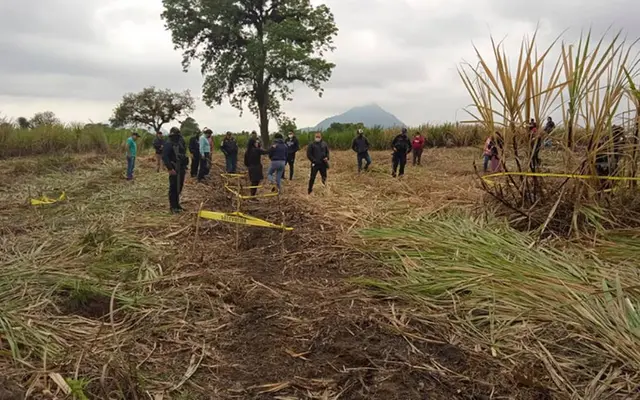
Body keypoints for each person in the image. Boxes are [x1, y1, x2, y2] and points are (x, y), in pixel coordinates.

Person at [162, 127, 188, 213]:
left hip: (181, 168)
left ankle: (177, 205)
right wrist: (170, 168)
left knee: (179, 187)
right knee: (173, 188)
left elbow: (183, 153)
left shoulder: (180, 142)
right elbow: (165, 157)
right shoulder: (168, 143)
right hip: (174, 168)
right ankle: (173, 207)